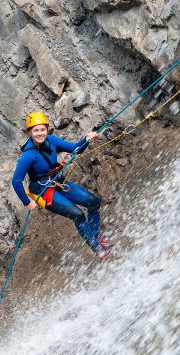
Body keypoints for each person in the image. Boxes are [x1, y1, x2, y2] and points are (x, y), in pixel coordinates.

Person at [11, 111, 113, 261]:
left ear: (47, 129)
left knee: (93, 202)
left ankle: (97, 235)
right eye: (36, 130)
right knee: (78, 214)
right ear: (30, 132)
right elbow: (16, 181)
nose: (40, 133)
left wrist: (86, 139)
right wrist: (27, 202)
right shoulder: (28, 156)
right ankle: (97, 248)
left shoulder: (52, 140)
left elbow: (75, 149)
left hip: (57, 181)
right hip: (43, 191)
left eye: (42, 129)